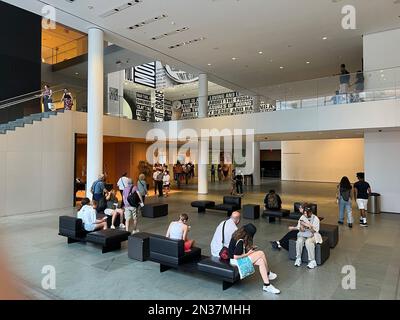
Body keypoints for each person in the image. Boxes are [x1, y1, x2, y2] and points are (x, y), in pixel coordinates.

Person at [229, 224, 280, 294]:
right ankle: (268, 273)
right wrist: (248, 253)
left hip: (237, 260)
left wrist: (250, 248)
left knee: (261, 261)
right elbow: (235, 256)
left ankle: (266, 285)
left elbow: (239, 250)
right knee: (261, 253)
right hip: (236, 263)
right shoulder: (240, 241)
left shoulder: (237, 235)